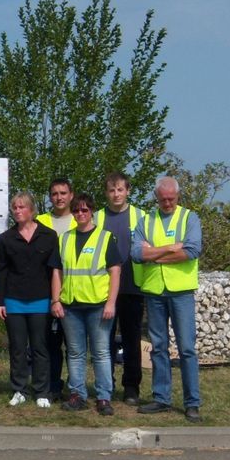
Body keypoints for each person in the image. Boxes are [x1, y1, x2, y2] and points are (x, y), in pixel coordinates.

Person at [131, 176, 204, 423]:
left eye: (171, 199)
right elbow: (136, 254)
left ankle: (192, 403)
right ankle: (161, 398)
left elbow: (192, 250)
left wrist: (154, 254)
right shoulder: (146, 220)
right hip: (154, 291)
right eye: (162, 199)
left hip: (181, 291)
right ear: (156, 197)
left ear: (178, 196)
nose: (167, 203)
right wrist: (172, 248)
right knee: (158, 347)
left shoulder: (189, 218)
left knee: (186, 348)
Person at [51, 193, 122, 415]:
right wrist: (55, 300)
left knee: (100, 353)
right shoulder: (65, 238)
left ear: (92, 211)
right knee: (75, 353)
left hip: (98, 305)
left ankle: (103, 397)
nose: (80, 214)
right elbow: (57, 271)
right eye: (76, 210)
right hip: (71, 305)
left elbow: (115, 271)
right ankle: (77, 394)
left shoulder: (105, 237)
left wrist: (111, 302)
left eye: (84, 210)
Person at [0, 191, 62, 408]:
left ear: (32, 210)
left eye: (22, 207)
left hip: (41, 300)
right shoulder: (6, 238)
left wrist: (55, 300)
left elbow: (54, 271)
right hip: (13, 300)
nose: (17, 211)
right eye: (14, 207)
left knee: (40, 348)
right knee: (17, 348)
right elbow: (1, 272)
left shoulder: (49, 236)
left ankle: (42, 391)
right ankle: (19, 389)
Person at [95, 172, 146, 406]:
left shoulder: (141, 216)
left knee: (131, 339)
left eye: (120, 190)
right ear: (106, 193)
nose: (116, 194)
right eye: (111, 190)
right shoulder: (98, 217)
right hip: (104, 290)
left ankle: (131, 387)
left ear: (128, 191)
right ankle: (106, 385)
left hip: (133, 287)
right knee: (103, 342)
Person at [35, 178, 76, 399]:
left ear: (71, 195)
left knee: (74, 346)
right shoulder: (40, 220)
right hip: (45, 291)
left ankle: (74, 386)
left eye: (63, 193)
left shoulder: (80, 218)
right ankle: (52, 385)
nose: (59, 197)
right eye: (54, 194)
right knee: (50, 344)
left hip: (74, 291)